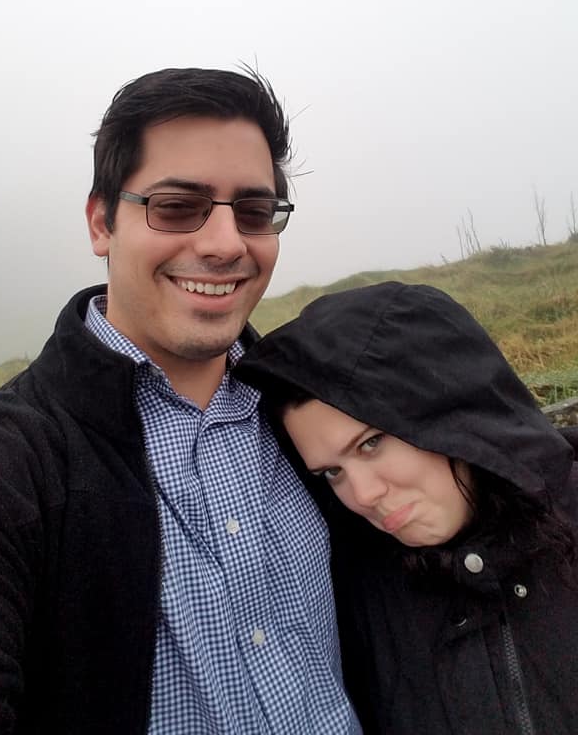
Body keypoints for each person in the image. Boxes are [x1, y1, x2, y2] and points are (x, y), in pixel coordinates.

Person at [0, 68, 361, 734]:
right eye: (176, 206)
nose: (225, 244)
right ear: (102, 222)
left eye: (254, 211)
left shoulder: (319, 408)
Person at [235, 281, 578, 735]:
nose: (362, 495)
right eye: (331, 473)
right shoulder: (358, 597)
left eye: (371, 443)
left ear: (455, 410)